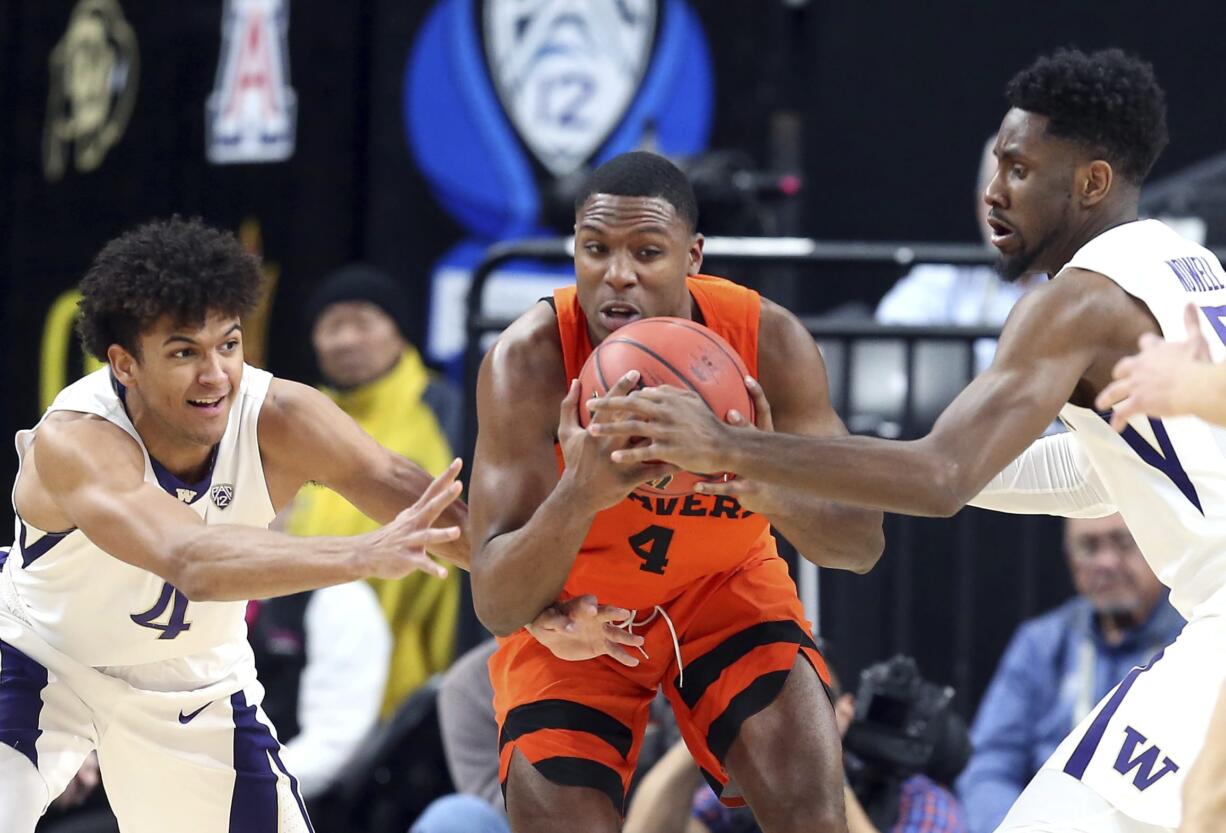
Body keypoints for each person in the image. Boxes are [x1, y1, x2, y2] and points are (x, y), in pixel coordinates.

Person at [592, 48, 1226, 832]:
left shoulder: (1079, 301)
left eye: (1021, 171)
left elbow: (938, 476)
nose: (993, 192)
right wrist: (857, 457)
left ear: (1091, 182)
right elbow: (1096, 475)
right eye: (997, 164)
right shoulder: (1184, 262)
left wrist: (729, 446)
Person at [0, 217, 468, 833]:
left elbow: (433, 510)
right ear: (125, 364)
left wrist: (555, 606)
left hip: (193, 679)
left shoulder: (284, 415)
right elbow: (191, 559)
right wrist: (361, 554)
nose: (216, 374)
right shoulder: (78, 439)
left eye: (229, 344)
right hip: (42, 658)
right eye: (184, 352)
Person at [468, 150, 885, 833]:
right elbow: (498, 601)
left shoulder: (767, 341)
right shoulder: (529, 361)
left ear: (694, 256)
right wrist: (580, 493)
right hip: (580, 612)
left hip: (725, 589)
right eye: (594, 248)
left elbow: (860, 543)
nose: (617, 274)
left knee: (814, 817)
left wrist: (762, 480)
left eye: (647, 251)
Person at [291, 264, 464, 716]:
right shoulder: (295, 415)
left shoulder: (447, 411)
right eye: (332, 326)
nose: (346, 339)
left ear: (398, 331)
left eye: (363, 322)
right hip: (306, 660)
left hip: (421, 670)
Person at [957, 514, 1183, 833]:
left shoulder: (1201, 640)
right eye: (1088, 547)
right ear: (1069, 558)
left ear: (1159, 547)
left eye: (1122, 542)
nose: (1105, 561)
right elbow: (988, 764)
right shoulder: (1042, 642)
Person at [623, 645, 966, 833]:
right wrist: (704, 731)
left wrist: (826, 774)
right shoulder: (748, 787)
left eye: (809, 708)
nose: (788, 723)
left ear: (843, 711)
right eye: (767, 706)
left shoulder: (919, 799)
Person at [875, 134, 1042, 372]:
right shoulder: (945, 280)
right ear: (978, 204)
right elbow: (886, 339)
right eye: (992, 197)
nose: (1004, 210)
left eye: (1020, 193)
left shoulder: (1079, 283)